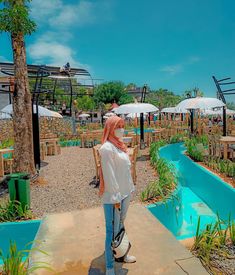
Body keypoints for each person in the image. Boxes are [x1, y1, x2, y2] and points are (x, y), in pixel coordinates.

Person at [99, 116, 136, 275]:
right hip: (113, 197)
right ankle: (109, 266)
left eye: (122, 125)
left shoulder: (120, 146)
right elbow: (109, 175)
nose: (121, 129)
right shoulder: (107, 148)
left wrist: (130, 188)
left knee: (120, 226)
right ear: (110, 128)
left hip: (125, 192)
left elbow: (125, 170)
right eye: (118, 126)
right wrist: (115, 199)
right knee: (111, 230)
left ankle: (122, 254)